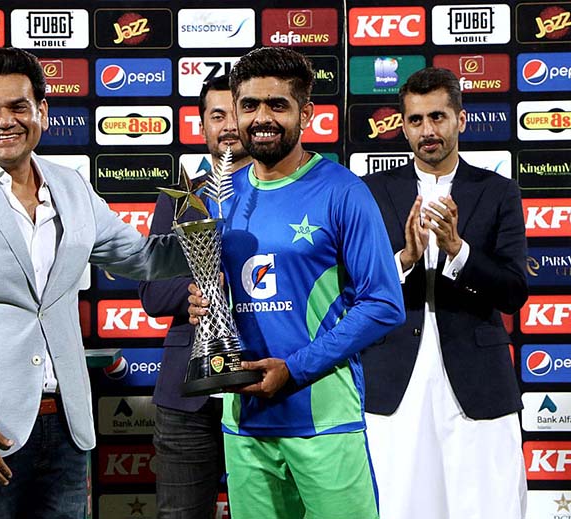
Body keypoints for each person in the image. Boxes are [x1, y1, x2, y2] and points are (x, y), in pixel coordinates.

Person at [0, 47, 188, 519]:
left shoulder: (72, 187)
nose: (4, 121)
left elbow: (143, 258)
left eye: (18, 107)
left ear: (41, 112)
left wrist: (219, 236)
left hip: (66, 432)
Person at [187, 47, 405, 519]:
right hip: (244, 423)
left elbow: (384, 303)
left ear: (306, 113)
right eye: (249, 106)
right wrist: (203, 309)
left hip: (322, 418)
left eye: (277, 105)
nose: (261, 118)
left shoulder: (342, 190)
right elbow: (220, 293)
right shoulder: (218, 196)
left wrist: (295, 368)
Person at [361, 67, 528, 519]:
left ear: (461, 119)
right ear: (403, 125)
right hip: (393, 382)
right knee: (396, 506)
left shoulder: (497, 192)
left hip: (478, 383)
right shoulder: (371, 192)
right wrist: (405, 262)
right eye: (415, 120)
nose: (427, 131)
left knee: (487, 507)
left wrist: (459, 252)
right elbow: (353, 289)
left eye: (437, 117)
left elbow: (514, 291)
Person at [138, 75, 251, 519]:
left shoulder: (290, 194)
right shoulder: (181, 200)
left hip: (267, 385)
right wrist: (200, 289)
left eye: (235, 113)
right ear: (201, 125)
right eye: (215, 115)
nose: (227, 126)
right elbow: (150, 293)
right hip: (187, 396)